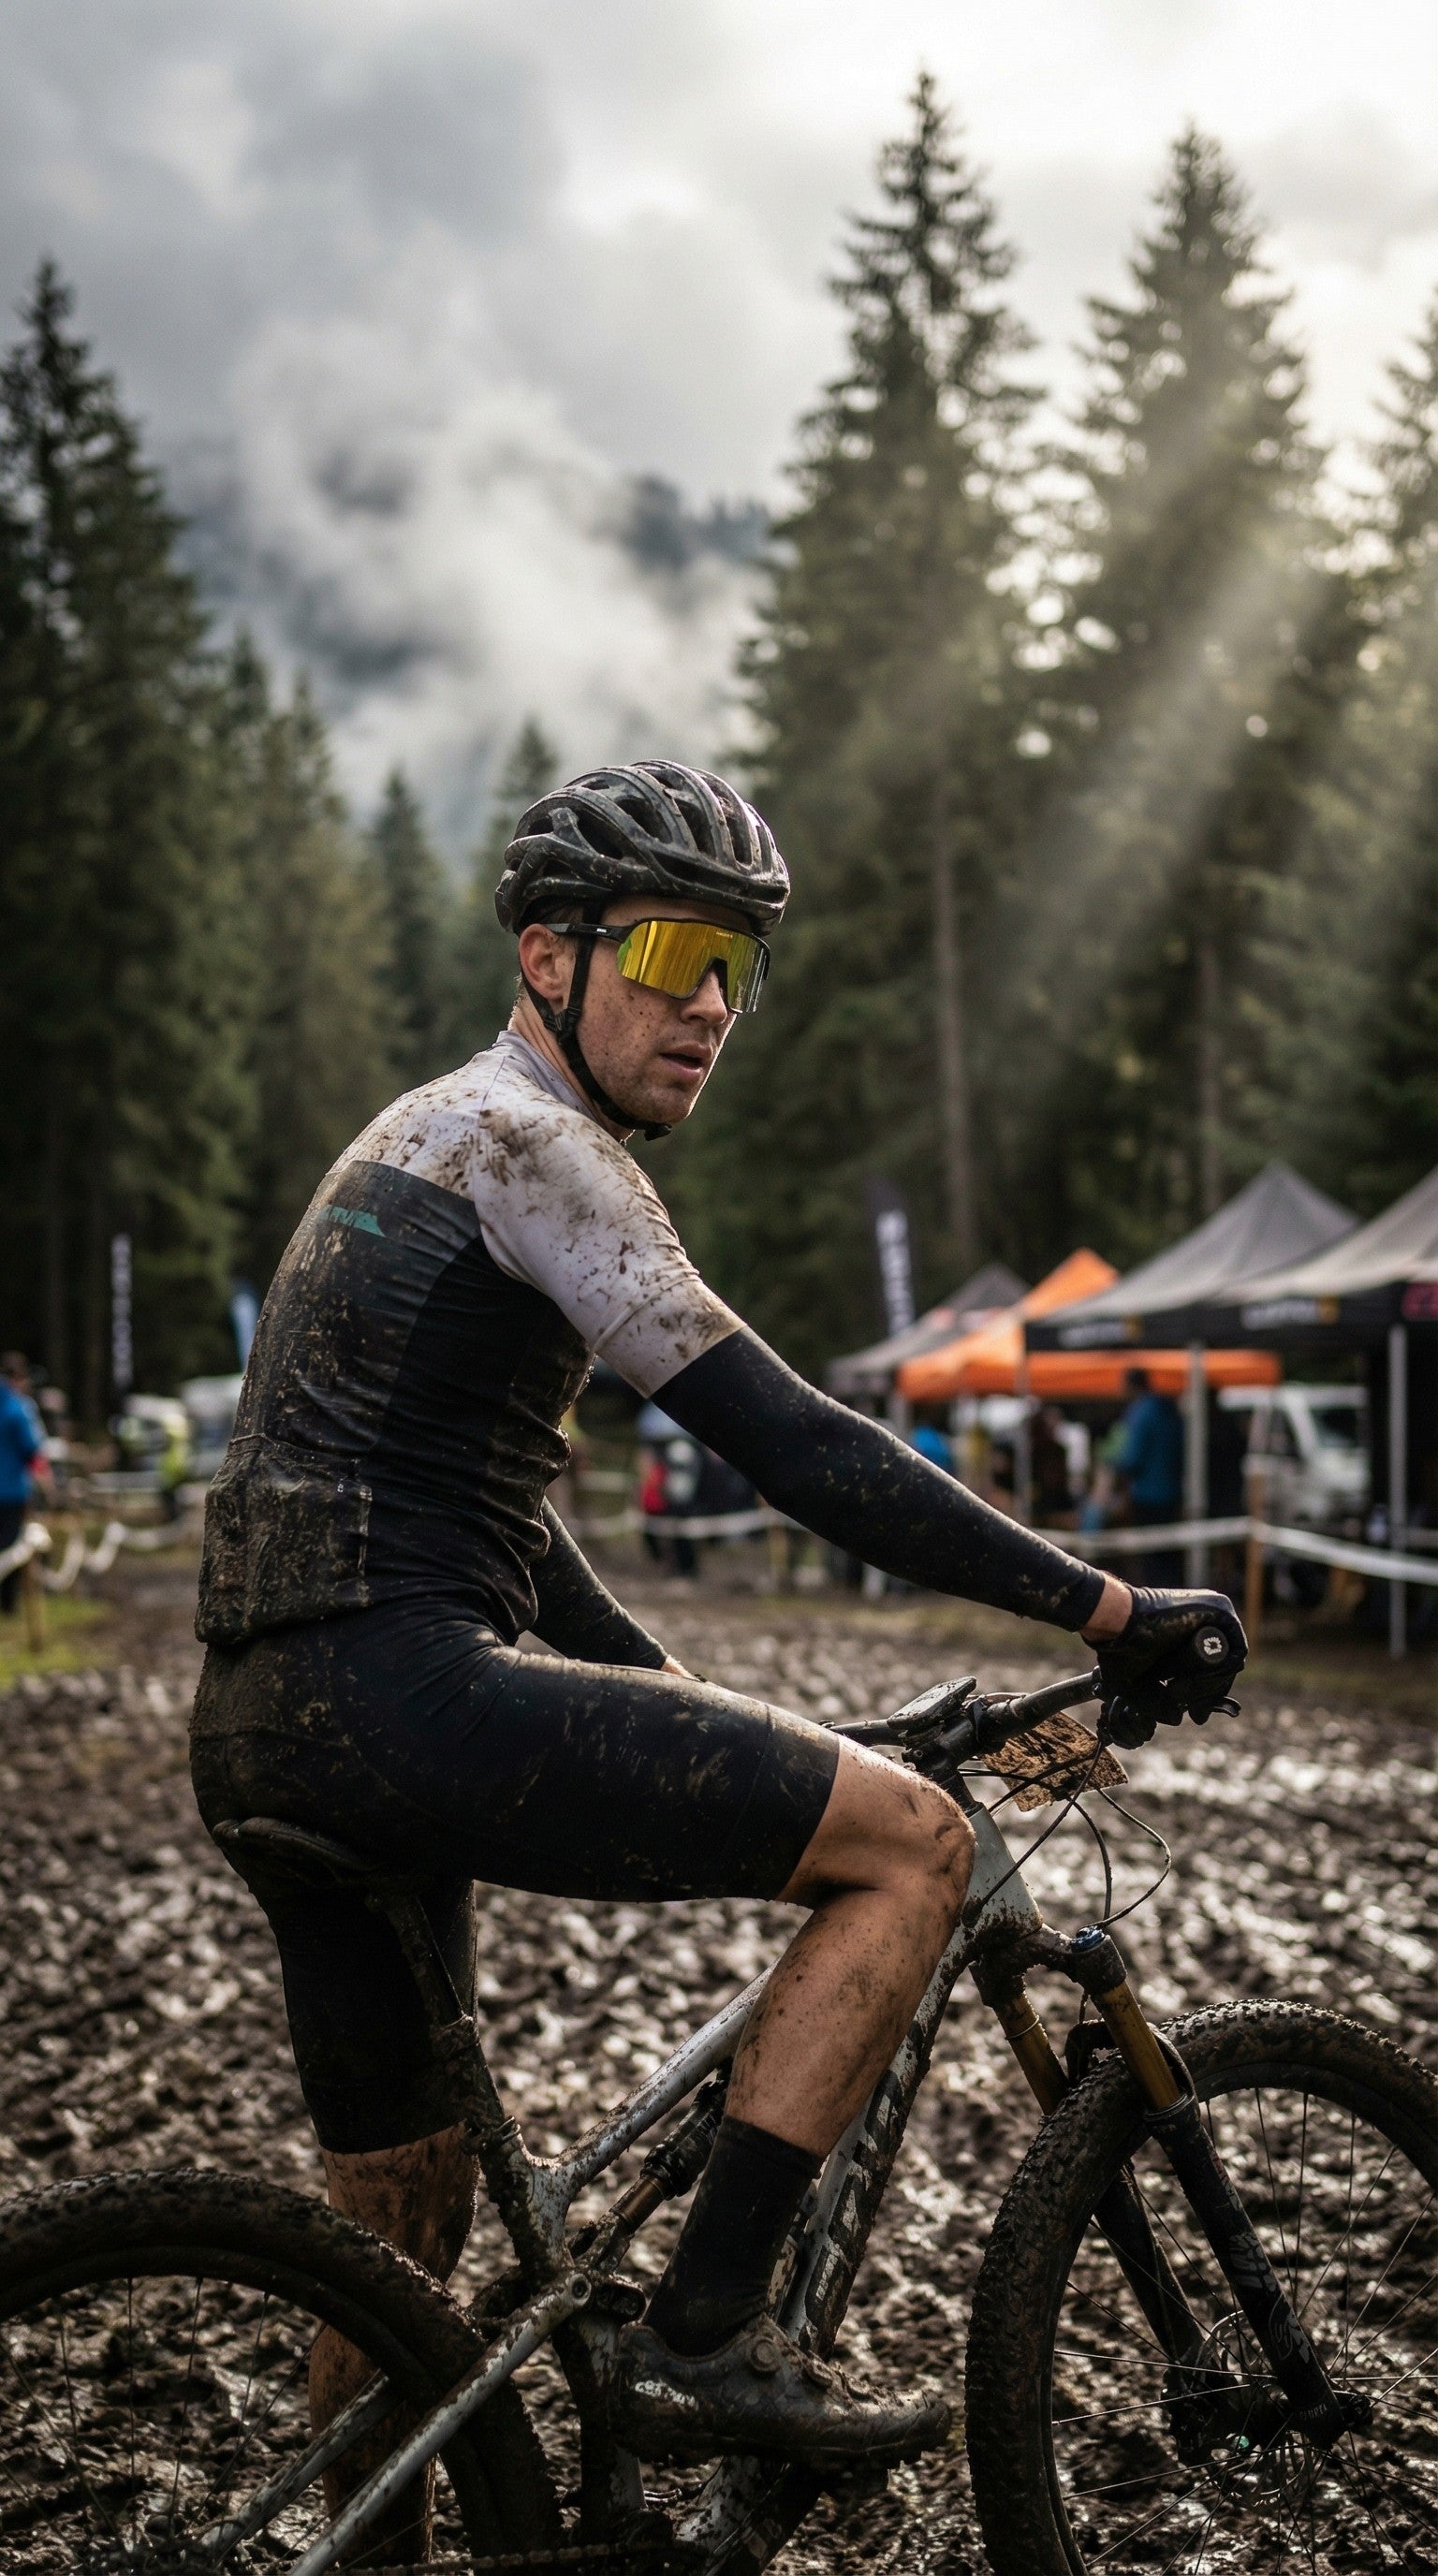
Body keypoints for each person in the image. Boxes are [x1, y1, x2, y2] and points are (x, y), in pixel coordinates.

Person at [189, 761, 1245, 2506]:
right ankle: (705, 2331)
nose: (707, 1006)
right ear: (547, 955)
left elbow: (501, 1533)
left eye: (737, 969)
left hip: (268, 1717)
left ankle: (332, 2533)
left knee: (400, 2226)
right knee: (915, 1847)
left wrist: (685, 1710)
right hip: (391, 1689)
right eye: (672, 952)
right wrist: (1114, 1606)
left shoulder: (419, 1135)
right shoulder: (537, 1144)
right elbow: (803, 1446)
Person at [1115, 1366, 1185, 1580]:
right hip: (1173, 1494)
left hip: (1147, 1496)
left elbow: (1131, 1459)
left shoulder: (1140, 1413)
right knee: (1169, 1556)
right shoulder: (1170, 1409)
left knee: (1151, 1559)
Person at [0, 1354, 45, 1615]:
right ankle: (8, 1604)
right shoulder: (16, 1409)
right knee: (11, 1549)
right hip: (10, 1491)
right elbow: (31, 1449)